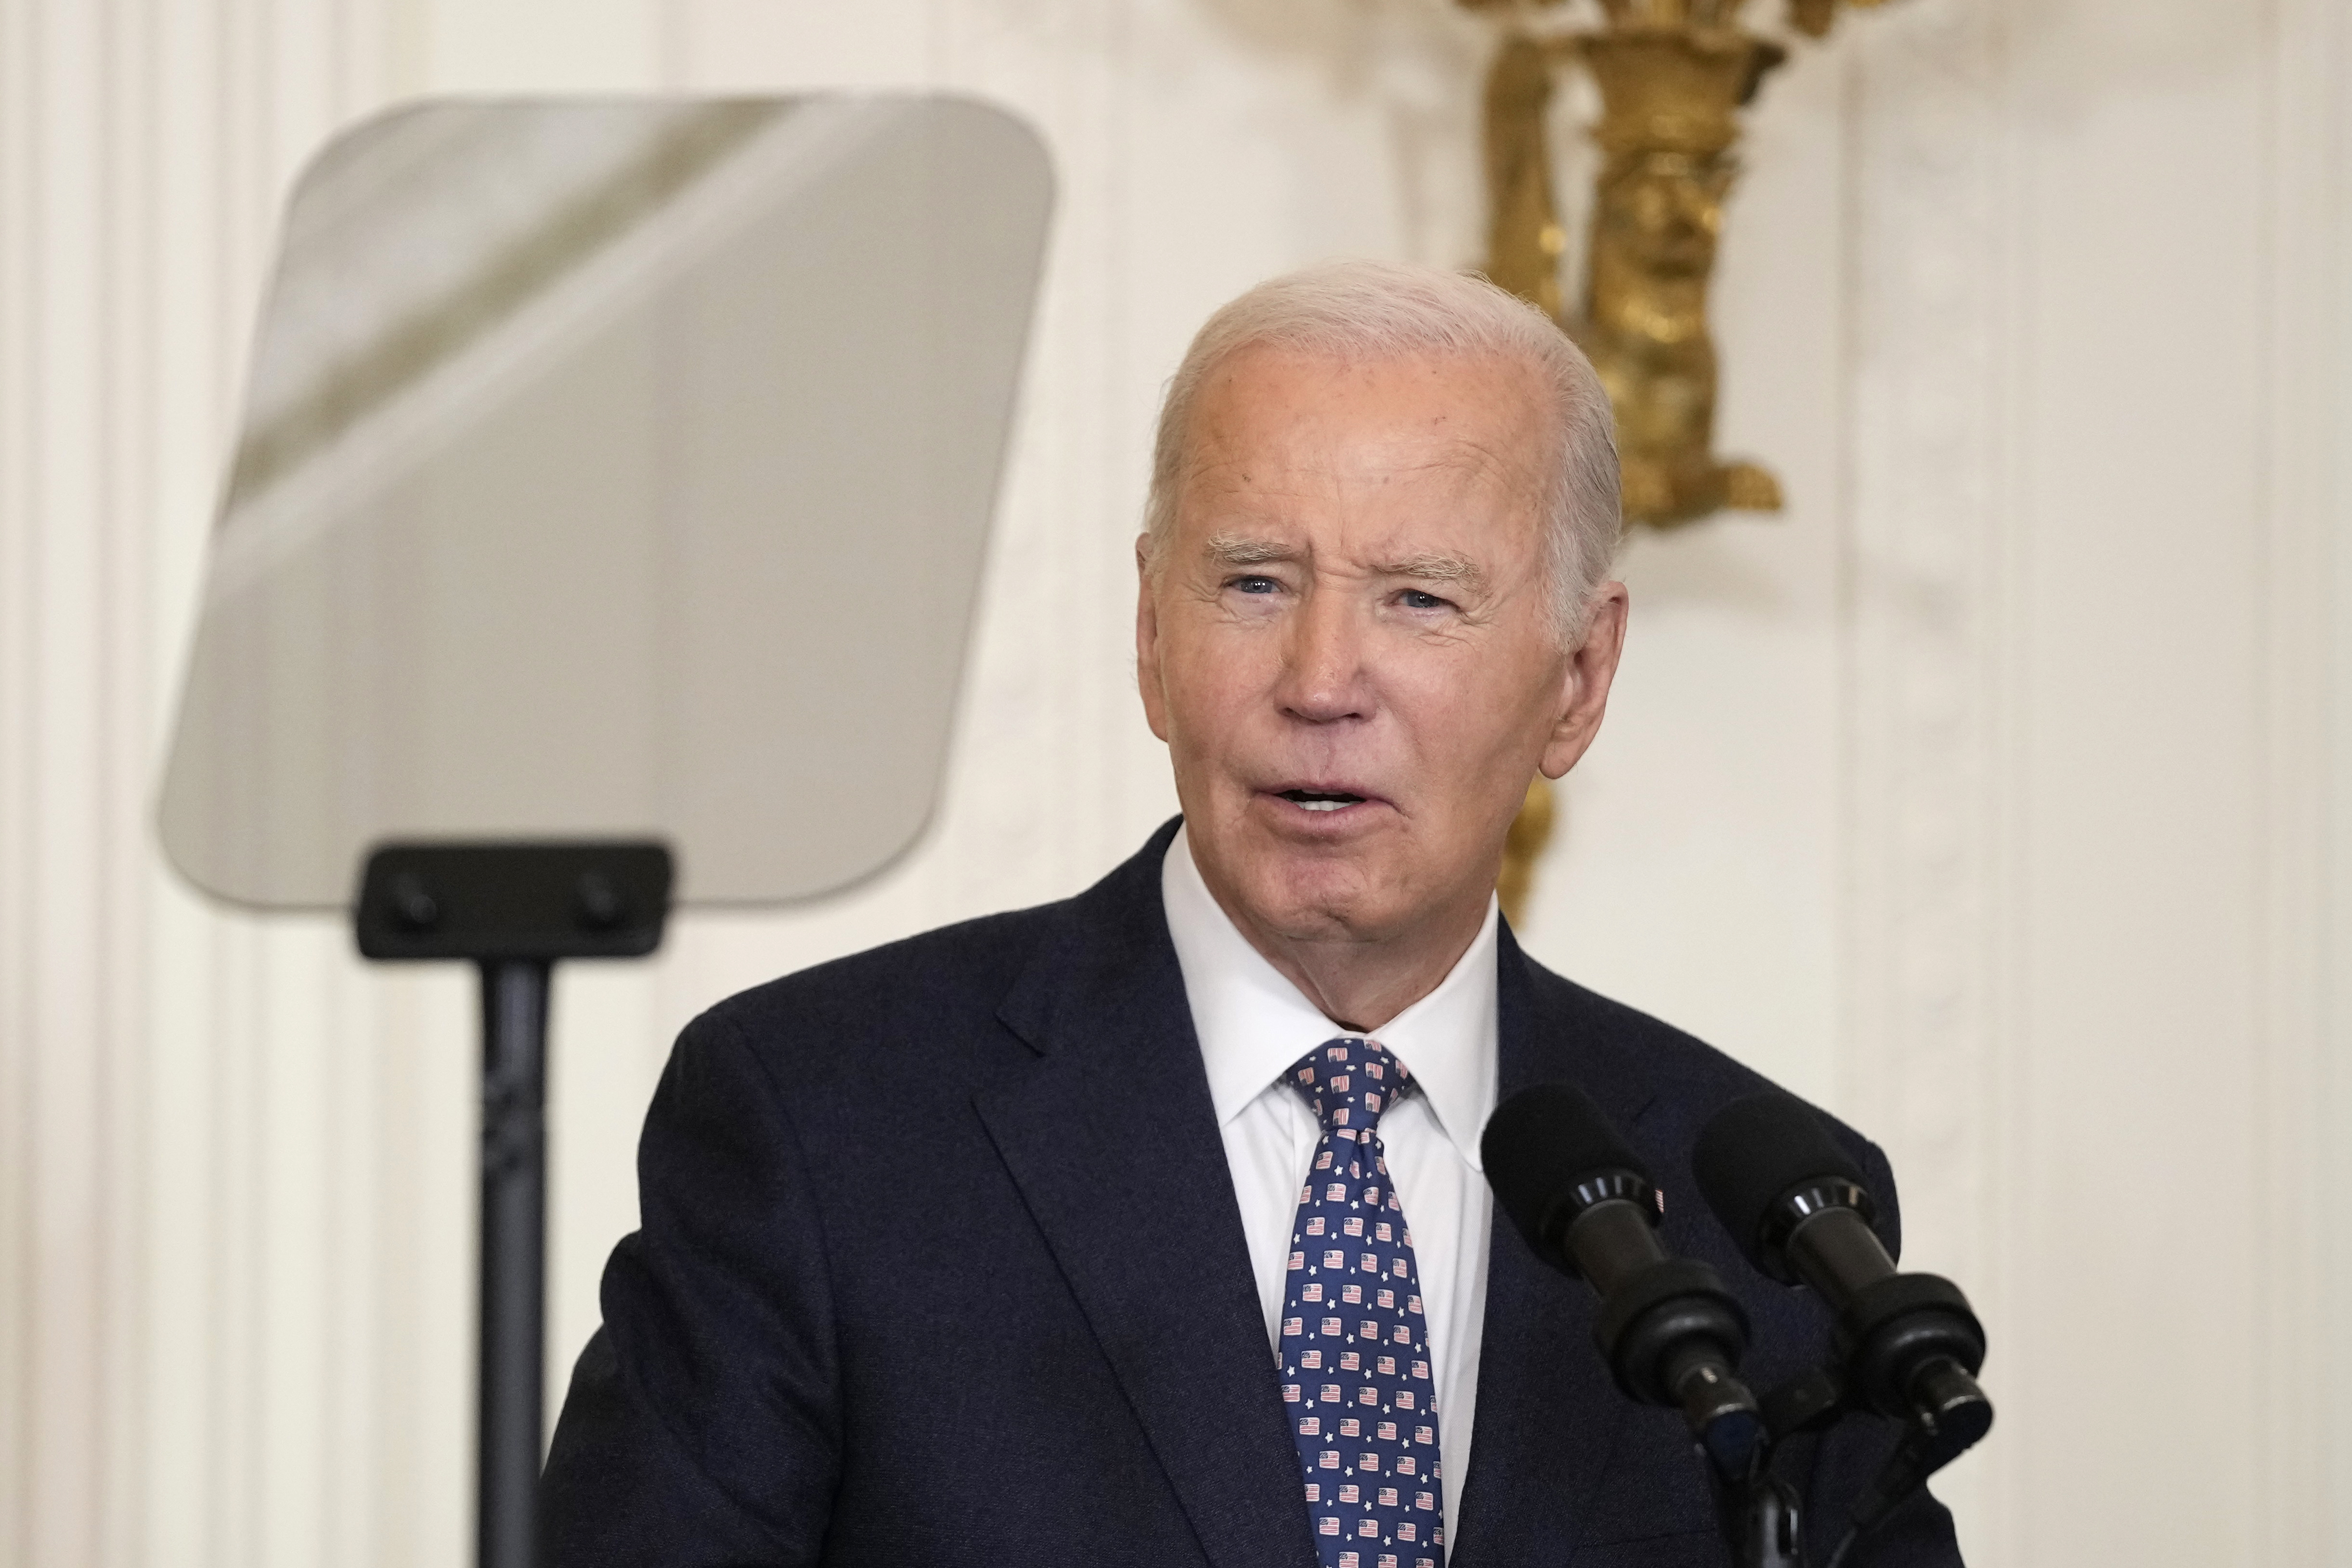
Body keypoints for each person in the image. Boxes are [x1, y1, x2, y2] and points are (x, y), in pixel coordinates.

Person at [538, 259, 1963, 1567]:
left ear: (1579, 680)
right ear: (1152, 635)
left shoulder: (1768, 1226)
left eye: (1418, 598)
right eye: (1254, 583)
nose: (1322, 678)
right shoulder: (823, 1127)